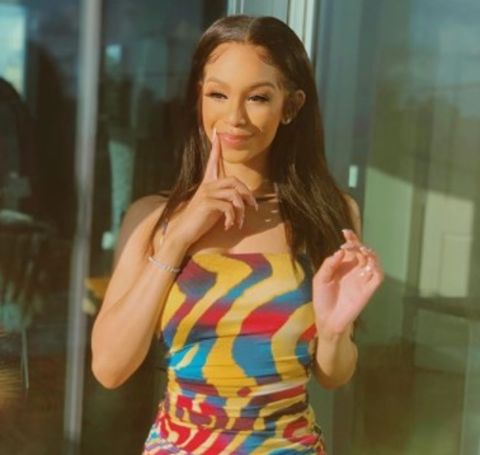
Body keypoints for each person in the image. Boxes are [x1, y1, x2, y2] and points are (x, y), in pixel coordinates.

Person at [91, 14, 384, 455]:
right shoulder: (153, 218)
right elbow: (109, 369)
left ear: (291, 106)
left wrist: (333, 332)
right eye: (218, 94)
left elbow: (333, 375)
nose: (235, 117)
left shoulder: (332, 214)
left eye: (258, 97)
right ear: (199, 97)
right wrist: (179, 238)